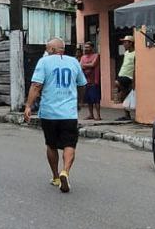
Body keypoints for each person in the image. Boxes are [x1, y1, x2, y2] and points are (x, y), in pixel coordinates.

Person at [24, 38, 87, 193]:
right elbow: (82, 85)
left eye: (47, 48)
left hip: (49, 113)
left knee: (51, 145)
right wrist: (79, 102)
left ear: (52, 49)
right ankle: (65, 171)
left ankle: (56, 176)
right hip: (69, 113)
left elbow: (36, 85)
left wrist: (28, 106)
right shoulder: (74, 62)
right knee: (69, 144)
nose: (46, 51)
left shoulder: (44, 62)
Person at [79, 41, 102, 121]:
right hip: (85, 81)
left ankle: (98, 115)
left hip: (94, 80)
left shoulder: (96, 55)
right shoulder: (83, 57)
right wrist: (87, 66)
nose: (86, 49)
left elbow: (93, 64)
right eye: (85, 47)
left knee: (96, 99)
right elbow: (79, 66)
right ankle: (91, 115)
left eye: (88, 47)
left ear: (92, 48)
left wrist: (84, 65)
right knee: (89, 100)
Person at [116, 35, 136, 121]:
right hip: (122, 74)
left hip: (129, 76)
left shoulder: (135, 53)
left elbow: (135, 67)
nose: (124, 44)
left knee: (117, 86)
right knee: (124, 96)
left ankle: (124, 92)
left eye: (125, 42)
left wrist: (134, 80)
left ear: (131, 43)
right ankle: (126, 114)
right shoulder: (126, 52)